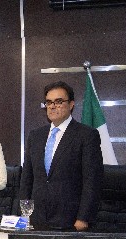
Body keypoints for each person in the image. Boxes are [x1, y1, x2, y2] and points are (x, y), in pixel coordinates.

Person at [20, 81, 103, 230]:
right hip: (36, 219)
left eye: (58, 102)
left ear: (71, 104)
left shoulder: (86, 135)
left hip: (70, 220)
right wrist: (24, 214)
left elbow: (92, 181)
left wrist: (83, 218)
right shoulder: (35, 136)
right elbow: (27, 178)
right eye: (49, 102)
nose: (52, 106)